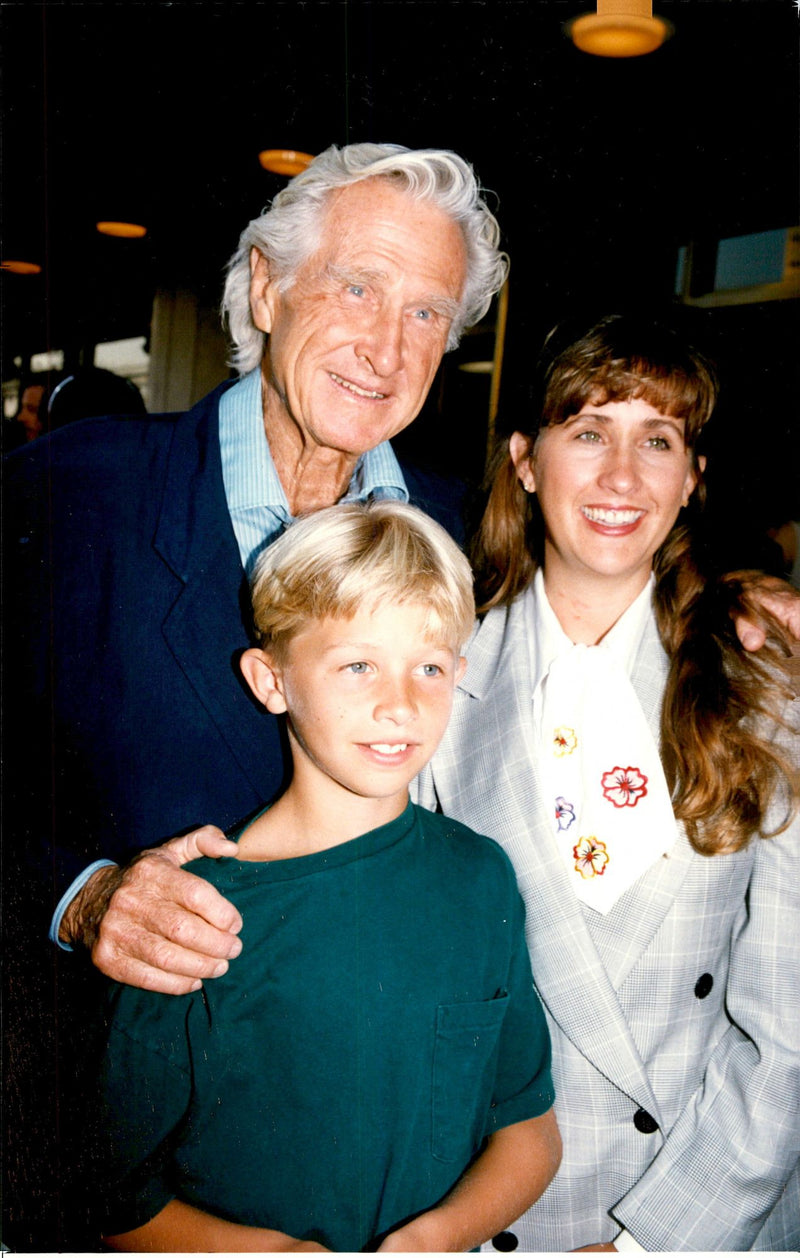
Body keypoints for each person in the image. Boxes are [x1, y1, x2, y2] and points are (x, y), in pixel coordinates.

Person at [1, 140, 507, 1250]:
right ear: (268, 290)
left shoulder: (466, 534)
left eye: (427, 313)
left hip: (364, 1169)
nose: (386, 346)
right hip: (98, 1169)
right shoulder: (71, 496)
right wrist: (82, 895)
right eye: (358, 287)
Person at [415, 313, 800, 1251]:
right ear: (526, 460)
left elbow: (788, 1026)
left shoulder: (766, 682)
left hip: (709, 1214)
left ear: (692, 478)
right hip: (492, 1210)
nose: (622, 478)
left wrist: (649, 1245)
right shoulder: (433, 680)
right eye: (588, 433)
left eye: (657, 441)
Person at [97, 500, 561, 1253]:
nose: (400, 703)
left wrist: (433, 1239)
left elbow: (529, 1129)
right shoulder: (199, 913)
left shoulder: (481, 879)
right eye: (357, 665)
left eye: (430, 667)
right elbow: (112, 1189)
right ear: (271, 679)